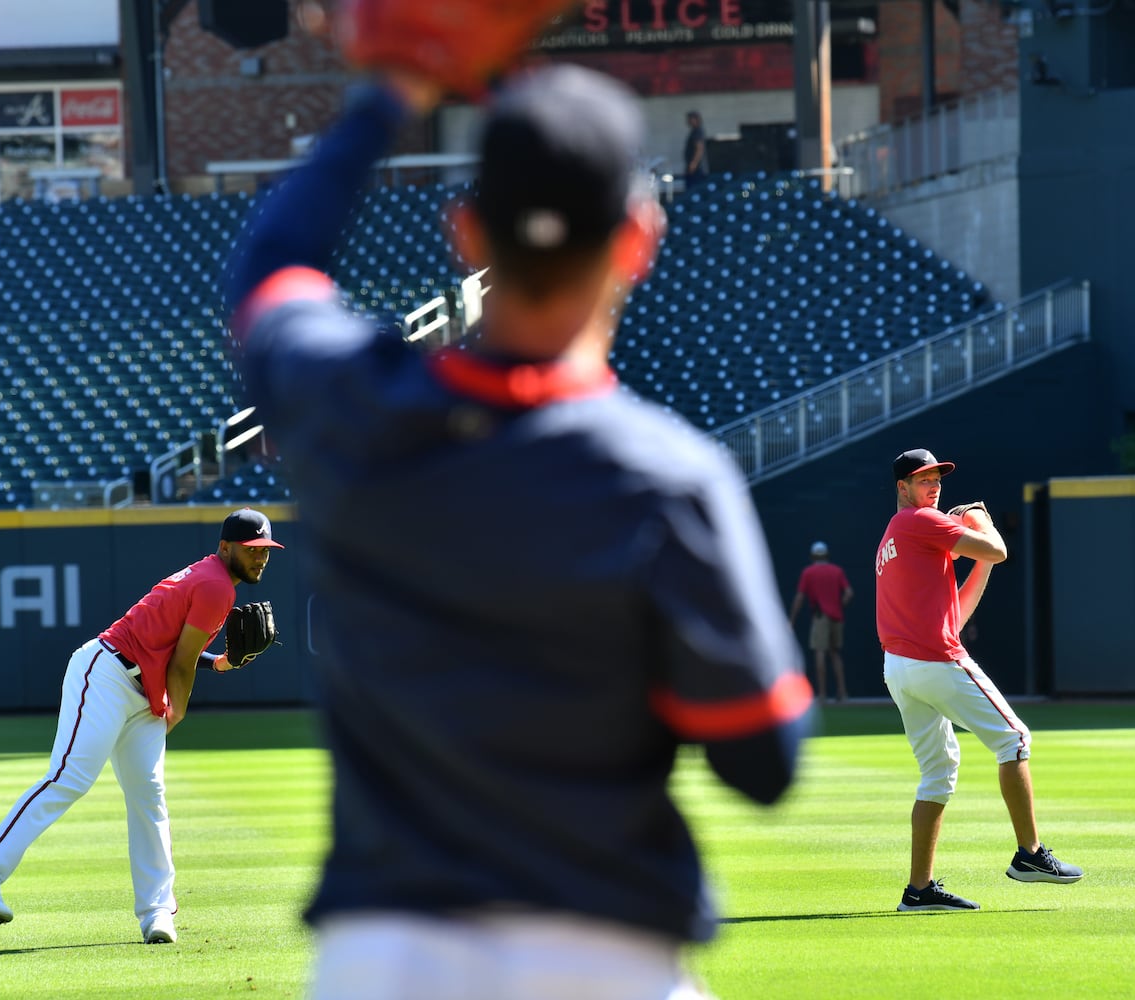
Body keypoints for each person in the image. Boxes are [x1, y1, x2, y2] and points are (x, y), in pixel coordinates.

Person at [222, 64, 813, 1000]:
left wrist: (386, 99)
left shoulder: (350, 412)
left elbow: (270, 275)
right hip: (604, 957)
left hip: (382, 963)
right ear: (638, 239)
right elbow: (761, 759)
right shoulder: (668, 479)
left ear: (467, 233)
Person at [0, 508, 284, 943]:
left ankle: (157, 912)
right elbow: (180, 664)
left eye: (266, 551)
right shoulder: (217, 585)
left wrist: (221, 663)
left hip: (143, 687)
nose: (260, 558)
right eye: (251, 549)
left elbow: (177, 650)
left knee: (149, 796)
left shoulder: (210, 577)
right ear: (226, 547)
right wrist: (176, 713)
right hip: (106, 674)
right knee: (68, 778)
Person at [875, 448, 1083, 912]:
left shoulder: (899, 532)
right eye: (922, 478)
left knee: (937, 774)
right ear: (902, 488)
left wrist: (978, 557)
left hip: (901, 667)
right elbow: (1000, 548)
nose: (933, 486)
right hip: (932, 662)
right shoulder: (920, 521)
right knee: (1015, 739)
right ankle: (1030, 856)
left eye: (937, 478)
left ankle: (919, 890)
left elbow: (958, 612)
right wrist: (976, 519)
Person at [788, 541, 853, 703]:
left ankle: (823, 695)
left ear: (813, 556)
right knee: (835, 653)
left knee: (820, 652)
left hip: (820, 617)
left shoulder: (808, 572)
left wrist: (791, 620)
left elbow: (800, 597)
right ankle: (842, 693)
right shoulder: (837, 571)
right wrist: (838, 605)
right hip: (837, 617)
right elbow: (849, 593)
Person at [683, 110, 709, 188]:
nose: (688, 121)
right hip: (694, 166)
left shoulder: (697, 132)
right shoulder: (694, 131)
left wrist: (694, 163)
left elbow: (699, 149)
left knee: (694, 186)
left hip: (697, 168)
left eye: (690, 119)